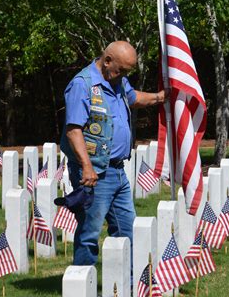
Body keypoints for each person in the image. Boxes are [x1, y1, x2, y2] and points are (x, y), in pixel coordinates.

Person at [60, 41, 164, 265]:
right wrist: (86, 167)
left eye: (128, 71)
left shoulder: (117, 80)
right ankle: (83, 290)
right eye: (122, 70)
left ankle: (127, 285)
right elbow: (73, 130)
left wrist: (158, 98)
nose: (124, 76)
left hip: (117, 171)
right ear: (107, 61)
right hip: (94, 173)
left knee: (128, 230)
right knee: (90, 233)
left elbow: (133, 97)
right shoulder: (82, 85)